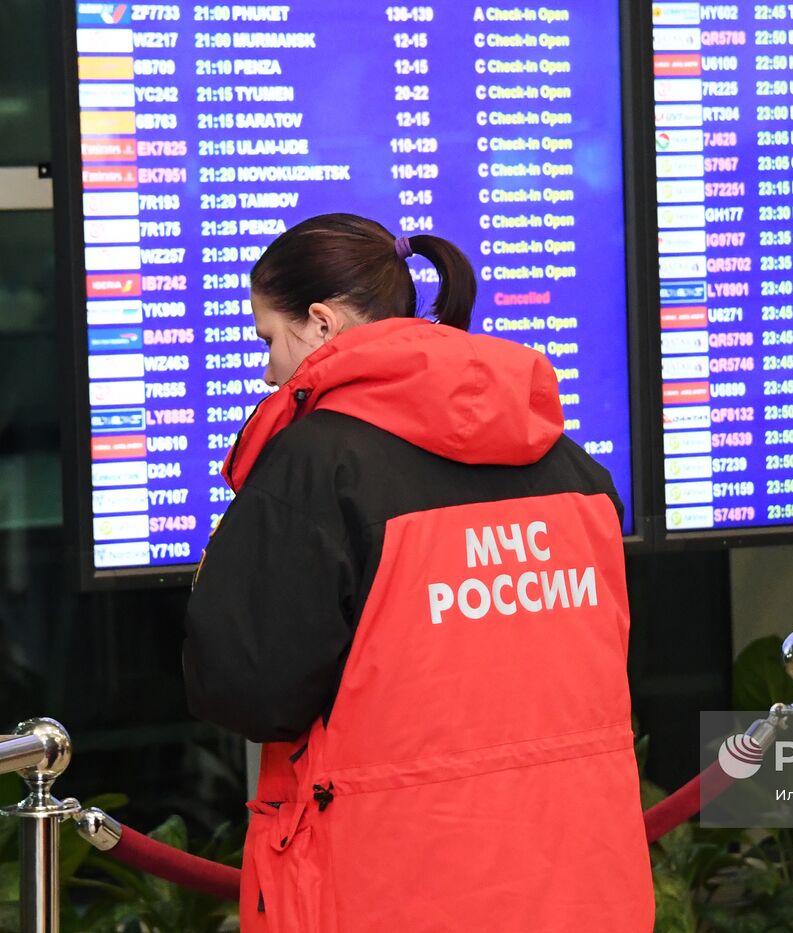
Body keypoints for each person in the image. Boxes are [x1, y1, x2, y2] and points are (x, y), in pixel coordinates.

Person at [183, 214, 653, 932]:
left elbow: (249, 687)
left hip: (388, 884)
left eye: (268, 340)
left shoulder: (316, 465)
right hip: (577, 879)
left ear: (319, 321)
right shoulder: (571, 464)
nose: (268, 370)